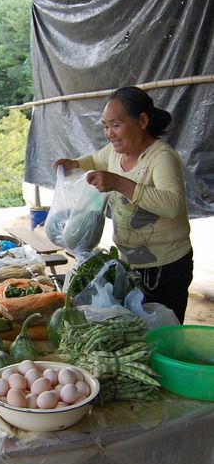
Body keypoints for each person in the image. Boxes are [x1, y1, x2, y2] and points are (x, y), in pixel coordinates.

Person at [54, 86, 193, 323]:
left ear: (142, 121)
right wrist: (72, 164)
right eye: (105, 126)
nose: (109, 133)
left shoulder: (161, 157)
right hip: (131, 263)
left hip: (164, 267)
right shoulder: (114, 153)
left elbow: (173, 205)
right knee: (137, 331)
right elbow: (94, 160)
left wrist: (119, 182)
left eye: (116, 125)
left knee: (162, 333)